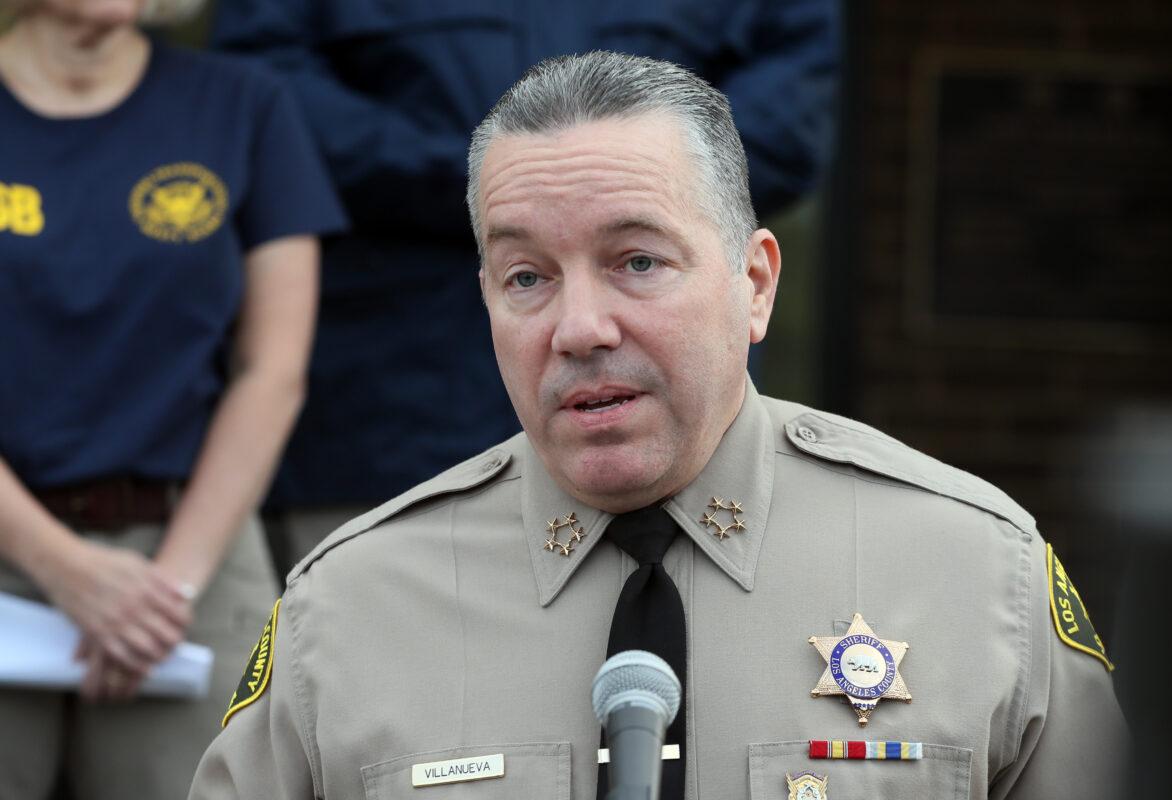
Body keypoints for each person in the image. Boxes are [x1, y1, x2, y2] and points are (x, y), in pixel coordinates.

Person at [189, 52, 1128, 799]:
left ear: (755, 284)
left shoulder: (973, 574)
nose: (580, 328)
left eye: (637, 261)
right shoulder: (350, 612)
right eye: (527, 277)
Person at [208, 0, 840, 578]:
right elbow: (273, 97)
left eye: (640, 260)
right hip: (387, 415)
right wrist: (497, 180)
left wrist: (620, 182)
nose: (581, 326)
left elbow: (791, 103)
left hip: (676, 440)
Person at [0, 0, 345, 797]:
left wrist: (168, 592)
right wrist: (64, 569)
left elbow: (271, 369)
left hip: (193, 553)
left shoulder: (243, 104)